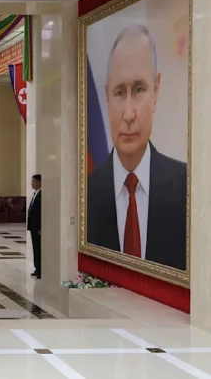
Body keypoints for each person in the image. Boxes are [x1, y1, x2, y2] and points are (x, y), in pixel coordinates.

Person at [87, 24, 187, 270]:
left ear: (156, 90)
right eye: (120, 92)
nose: (129, 114)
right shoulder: (84, 194)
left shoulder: (188, 188)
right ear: (107, 96)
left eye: (139, 89)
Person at [28, 174, 42, 279]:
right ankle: (37, 268)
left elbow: (40, 213)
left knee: (39, 248)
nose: (32, 183)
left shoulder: (42, 194)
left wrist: (40, 227)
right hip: (33, 227)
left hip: (38, 228)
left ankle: (40, 270)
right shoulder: (35, 193)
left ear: (39, 182)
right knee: (35, 248)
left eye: (33, 181)